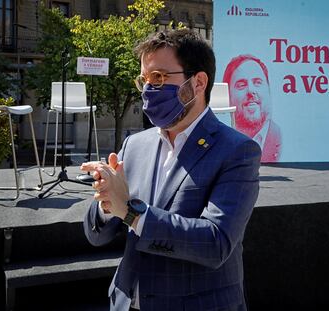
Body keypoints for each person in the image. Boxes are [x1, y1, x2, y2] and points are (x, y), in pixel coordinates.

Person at [81, 29, 261, 311]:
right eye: (145, 79)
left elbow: (216, 243)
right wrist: (107, 202)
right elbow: (97, 235)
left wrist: (130, 212)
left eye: (160, 77)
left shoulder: (237, 151)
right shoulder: (134, 145)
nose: (149, 89)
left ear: (198, 82)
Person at [223, 54, 281, 162]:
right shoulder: (220, 144)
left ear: (268, 90)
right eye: (241, 85)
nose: (250, 91)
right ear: (228, 95)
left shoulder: (283, 141)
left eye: (258, 82)